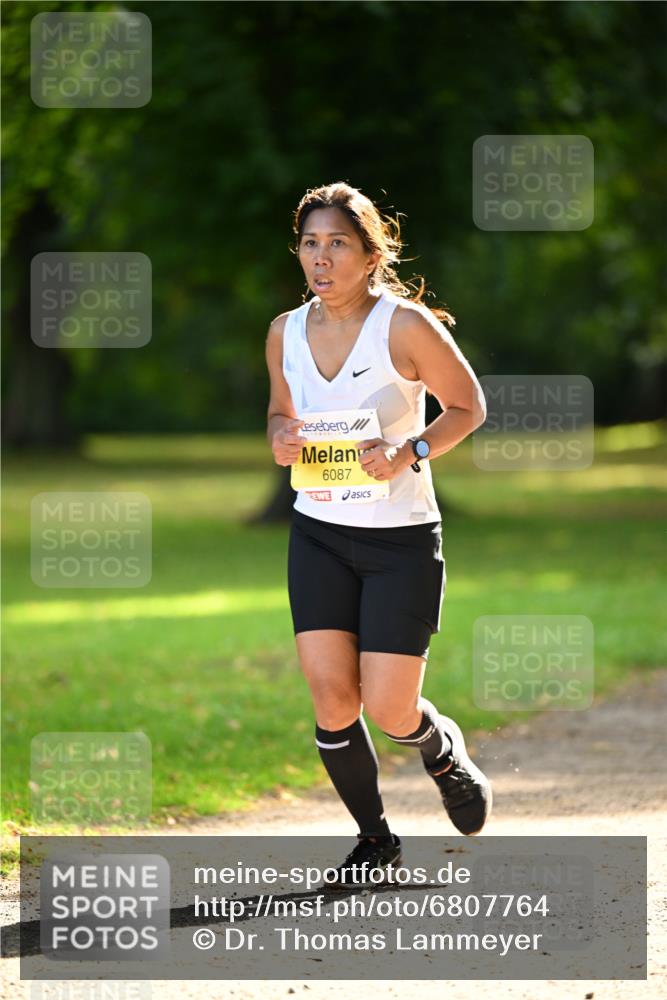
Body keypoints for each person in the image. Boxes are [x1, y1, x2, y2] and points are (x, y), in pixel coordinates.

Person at [265, 181, 491, 888]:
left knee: (390, 709)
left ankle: (440, 750)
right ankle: (375, 842)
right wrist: (280, 436)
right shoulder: (284, 332)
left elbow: (468, 407)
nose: (321, 257)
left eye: (337, 243)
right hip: (319, 534)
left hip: (400, 542)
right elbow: (280, 413)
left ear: (370, 255)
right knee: (333, 700)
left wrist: (408, 451)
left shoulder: (404, 325)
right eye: (310, 243)